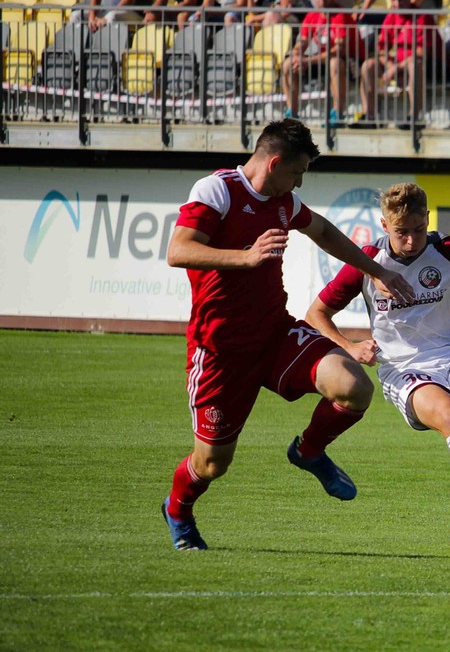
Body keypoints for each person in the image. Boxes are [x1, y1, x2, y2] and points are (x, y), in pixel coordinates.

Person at [161, 119, 415, 551]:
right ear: (275, 162)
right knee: (211, 464)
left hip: (276, 335)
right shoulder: (217, 191)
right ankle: (178, 510)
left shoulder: (284, 202)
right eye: (296, 173)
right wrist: (246, 257)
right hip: (220, 351)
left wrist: (376, 269)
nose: (298, 183)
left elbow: (323, 231)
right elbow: (178, 250)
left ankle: (309, 450)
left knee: (353, 387)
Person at [305, 182, 450, 556]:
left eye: (418, 230)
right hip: (404, 369)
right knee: (449, 414)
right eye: (402, 232)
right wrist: (350, 346)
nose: (412, 240)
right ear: (385, 226)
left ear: (428, 220)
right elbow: (316, 314)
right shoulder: (366, 263)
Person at [353, 0, 440, 128]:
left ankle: (415, 117)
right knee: (368, 65)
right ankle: (369, 116)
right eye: (393, 0)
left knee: (414, 65)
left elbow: (421, 52)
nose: (398, 4)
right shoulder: (391, 17)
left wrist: (396, 68)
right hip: (398, 65)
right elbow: (381, 49)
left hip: (429, 67)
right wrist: (390, 66)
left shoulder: (422, 18)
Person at [281, 0, 364, 123]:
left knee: (335, 63)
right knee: (288, 64)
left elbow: (338, 50)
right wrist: (296, 54)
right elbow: (302, 42)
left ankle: (337, 113)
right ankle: (292, 113)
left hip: (351, 60)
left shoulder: (340, 15)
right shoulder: (312, 15)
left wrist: (308, 60)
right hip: (324, 58)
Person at [73, 0, 148, 30]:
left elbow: (128, 0)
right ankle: (78, 53)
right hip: (114, 13)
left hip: (136, 15)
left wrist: (104, 19)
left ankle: (112, 56)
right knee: (76, 16)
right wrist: (92, 17)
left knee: (112, 16)